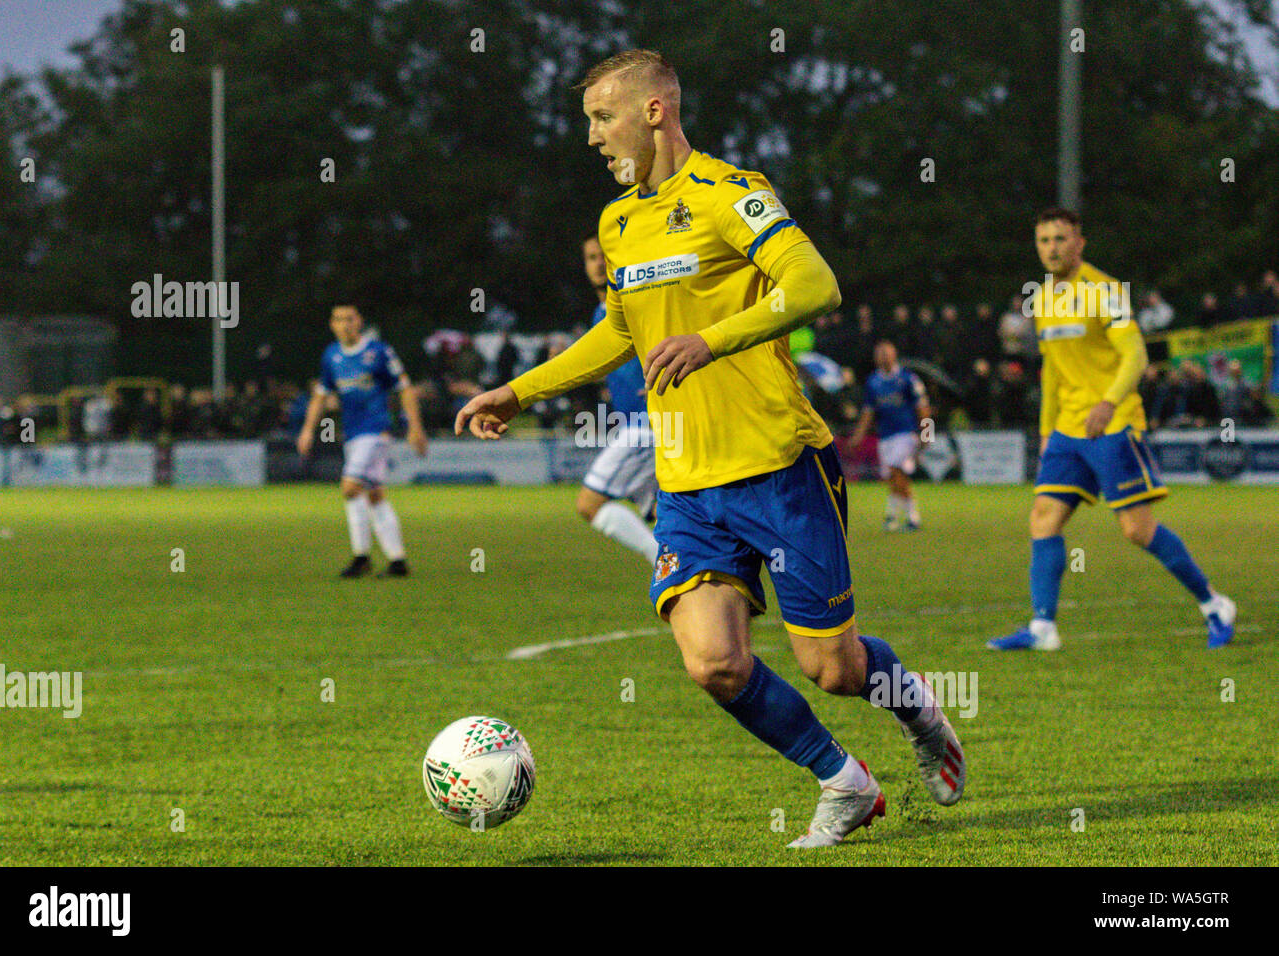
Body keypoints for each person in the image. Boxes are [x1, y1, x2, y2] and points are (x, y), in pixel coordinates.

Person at [455, 49, 965, 847]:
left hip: (779, 466)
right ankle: (845, 783)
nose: (591, 137)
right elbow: (619, 331)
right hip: (688, 482)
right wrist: (519, 391)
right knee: (714, 663)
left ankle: (922, 716)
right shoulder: (618, 222)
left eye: (602, 117)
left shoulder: (734, 194)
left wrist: (712, 340)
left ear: (654, 111)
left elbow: (815, 286)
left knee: (832, 668)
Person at [989, 209, 1235, 651]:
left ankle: (1215, 604)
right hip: (1067, 428)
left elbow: (1136, 356)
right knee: (1044, 517)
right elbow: (1053, 372)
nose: (1052, 247)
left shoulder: (1105, 292)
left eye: (1060, 238)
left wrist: (1108, 402)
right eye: (1043, 240)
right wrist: (1047, 431)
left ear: (1079, 243)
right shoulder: (1042, 299)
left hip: (1115, 423)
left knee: (1136, 529)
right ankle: (1043, 628)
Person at [297, 305, 428, 578]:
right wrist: (308, 430)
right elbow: (321, 395)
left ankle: (361, 557)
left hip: (377, 431)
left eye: (350, 319)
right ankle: (398, 561)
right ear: (332, 325)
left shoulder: (378, 352)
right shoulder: (331, 355)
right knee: (374, 494)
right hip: (353, 434)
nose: (344, 324)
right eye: (338, 320)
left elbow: (404, 388)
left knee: (350, 487)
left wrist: (415, 427)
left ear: (359, 322)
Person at [575, 234, 659, 563]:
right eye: (591, 257)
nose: (598, 264)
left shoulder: (634, 303)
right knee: (663, 514)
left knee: (589, 504)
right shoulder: (602, 312)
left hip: (649, 423)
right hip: (636, 423)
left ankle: (666, 565)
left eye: (604, 256)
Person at [845, 341, 931, 531]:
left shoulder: (908, 379)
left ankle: (912, 518)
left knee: (894, 470)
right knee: (892, 476)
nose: (883, 356)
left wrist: (927, 433)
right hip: (885, 436)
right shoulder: (873, 382)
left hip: (905, 433)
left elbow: (923, 407)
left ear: (894, 355)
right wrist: (858, 435)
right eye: (880, 353)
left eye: (886, 353)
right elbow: (868, 412)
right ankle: (893, 517)